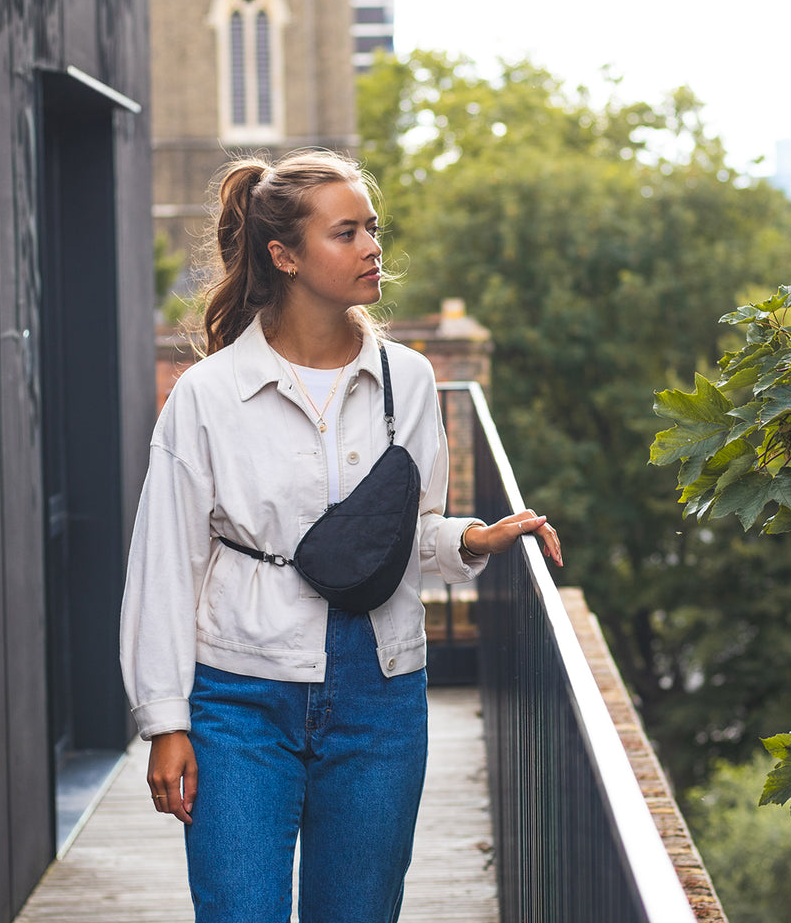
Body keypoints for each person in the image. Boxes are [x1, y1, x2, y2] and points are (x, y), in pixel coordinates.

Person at [119, 149, 562, 923]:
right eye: (346, 232)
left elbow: (405, 536)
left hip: (380, 691)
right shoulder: (209, 394)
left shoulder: (409, 380)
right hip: (239, 695)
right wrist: (165, 722)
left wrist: (471, 541)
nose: (372, 248)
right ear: (283, 256)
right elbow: (164, 564)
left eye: (373, 229)